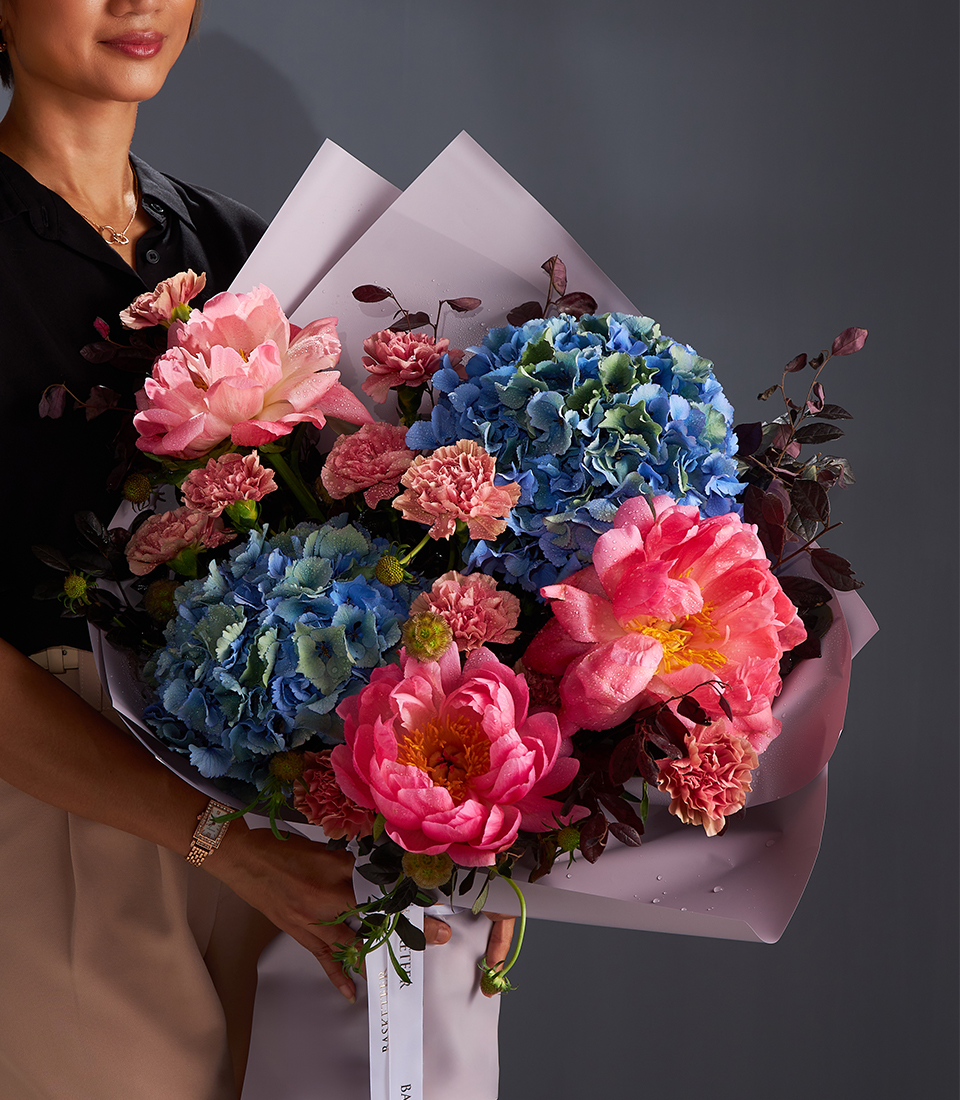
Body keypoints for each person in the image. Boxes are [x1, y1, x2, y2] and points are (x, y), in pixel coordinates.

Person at [0, 3, 513, 1098]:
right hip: (53, 806)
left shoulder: (250, 250)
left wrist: (482, 853)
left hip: (276, 795)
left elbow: (382, 551)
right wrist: (215, 843)